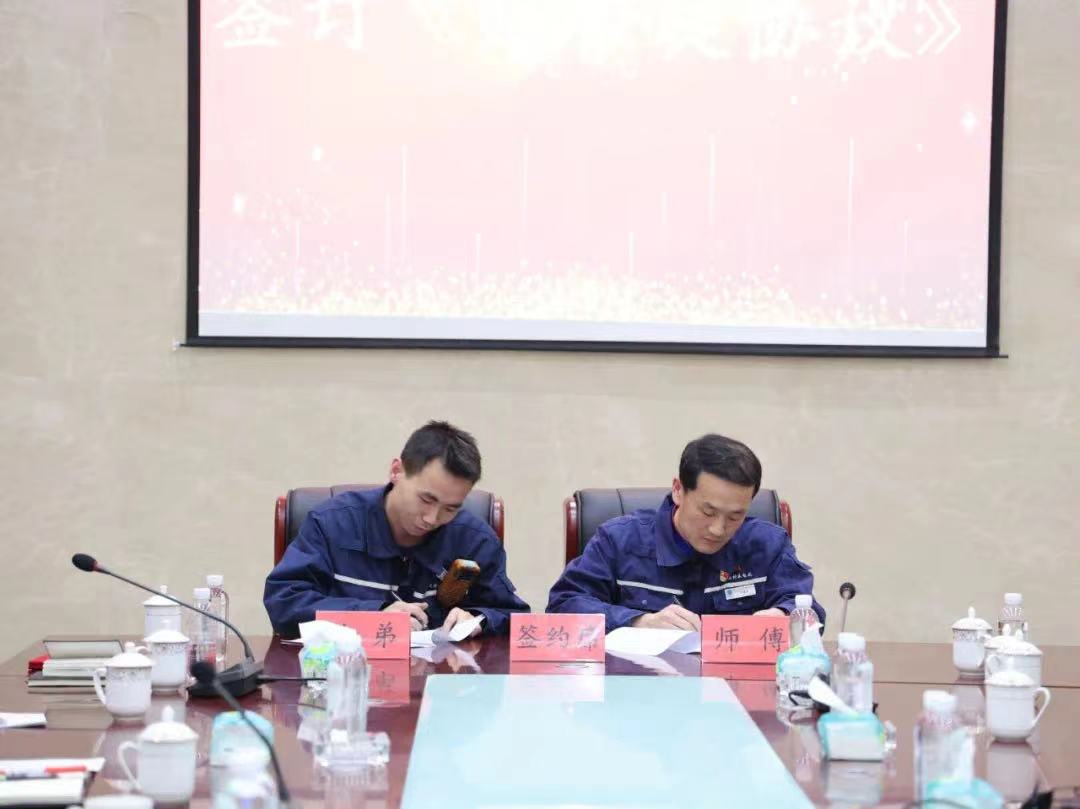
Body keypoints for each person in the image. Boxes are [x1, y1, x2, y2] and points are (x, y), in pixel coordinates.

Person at [264, 421, 530, 638]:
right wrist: (374, 615)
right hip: (344, 673)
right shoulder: (332, 523)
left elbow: (512, 615)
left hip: (441, 679)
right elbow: (284, 602)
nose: (431, 518)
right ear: (396, 471)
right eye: (426, 499)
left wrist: (479, 619)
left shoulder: (474, 539)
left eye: (450, 508)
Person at [547, 433, 824, 632]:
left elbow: (808, 609)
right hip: (640, 687)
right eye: (708, 512)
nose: (718, 529)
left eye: (735, 516)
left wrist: (784, 616)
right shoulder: (619, 541)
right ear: (678, 490)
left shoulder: (767, 544)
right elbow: (564, 606)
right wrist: (638, 622)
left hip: (735, 687)